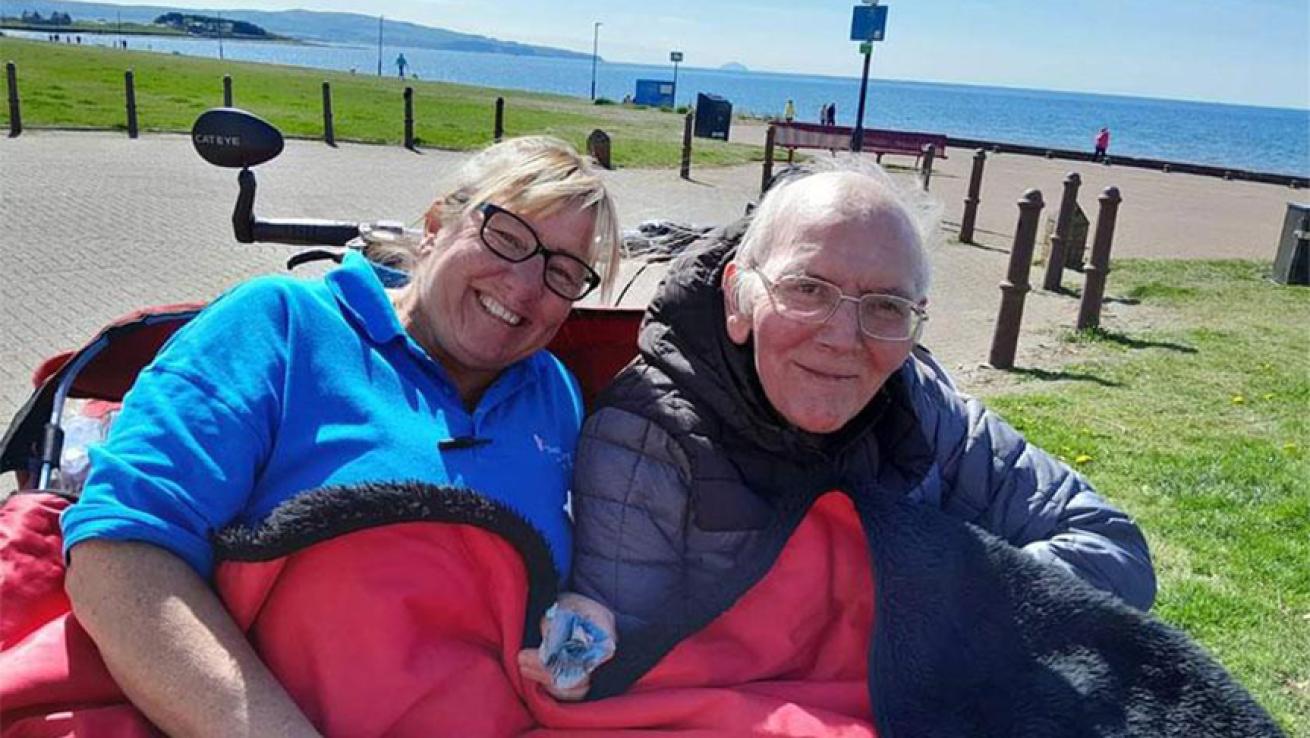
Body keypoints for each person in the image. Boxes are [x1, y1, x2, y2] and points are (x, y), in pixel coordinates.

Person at [58, 135, 621, 737]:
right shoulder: (281, 326)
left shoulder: (554, 393)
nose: (525, 284)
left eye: (563, 272)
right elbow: (117, 557)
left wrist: (575, 625)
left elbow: (519, 591)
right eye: (506, 237)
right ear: (435, 226)